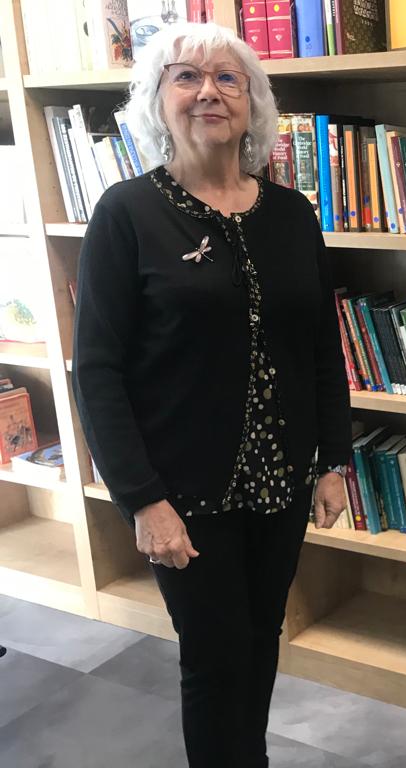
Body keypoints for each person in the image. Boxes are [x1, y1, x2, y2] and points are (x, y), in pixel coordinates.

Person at [71, 22, 351, 768]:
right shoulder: (126, 215)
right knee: (214, 657)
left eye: (228, 77)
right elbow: (96, 370)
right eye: (185, 77)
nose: (208, 92)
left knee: (260, 641)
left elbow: (323, 345)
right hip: (184, 495)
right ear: (157, 102)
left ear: (253, 102)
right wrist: (142, 499)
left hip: (282, 484)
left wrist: (334, 460)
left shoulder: (293, 214)